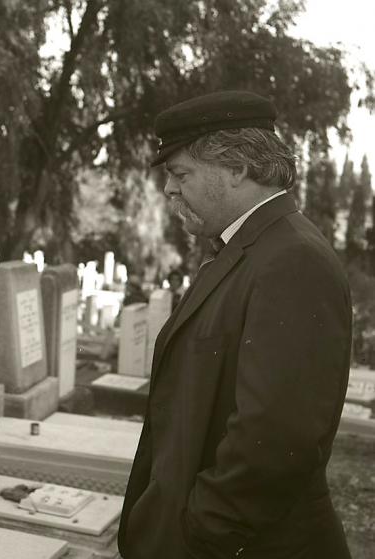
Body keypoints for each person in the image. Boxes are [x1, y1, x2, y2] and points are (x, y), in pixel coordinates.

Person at [118, 91, 352, 559]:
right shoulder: (253, 247)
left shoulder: (292, 260)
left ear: (238, 168)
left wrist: (201, 533)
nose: (169, 190)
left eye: (180, 173)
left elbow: (276, 437)